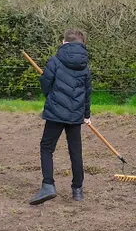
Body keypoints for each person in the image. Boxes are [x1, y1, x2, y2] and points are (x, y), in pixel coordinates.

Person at [30, 28, 92, 205]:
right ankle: (77, 191)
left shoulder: (55, 60)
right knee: (75, 151)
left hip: (55, 113)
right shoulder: (85, 65)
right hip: (75, 115)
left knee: (47, 147)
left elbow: (45, 81)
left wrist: (51, 97)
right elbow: (87, 92)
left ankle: (48, 185)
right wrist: (86, 115)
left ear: (64, 42)